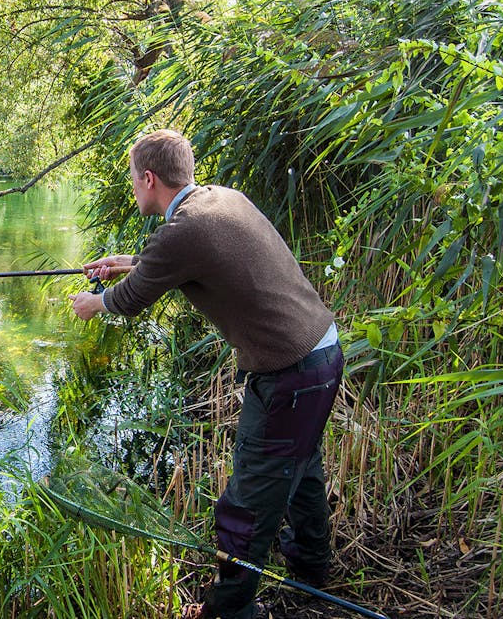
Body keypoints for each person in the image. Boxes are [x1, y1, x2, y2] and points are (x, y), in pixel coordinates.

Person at [69, 130, 343, 619]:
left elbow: (133, 298)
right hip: (322, 353)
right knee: (302, 469)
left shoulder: (183, 232)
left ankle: (231, 608)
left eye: (134, 180)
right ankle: (310, 561)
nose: (134, 188)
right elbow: (185, 260)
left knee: (245, 503)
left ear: (149, 178)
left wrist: (97, 302)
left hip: (290, 376)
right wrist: (127, 264)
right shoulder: (221, 200)